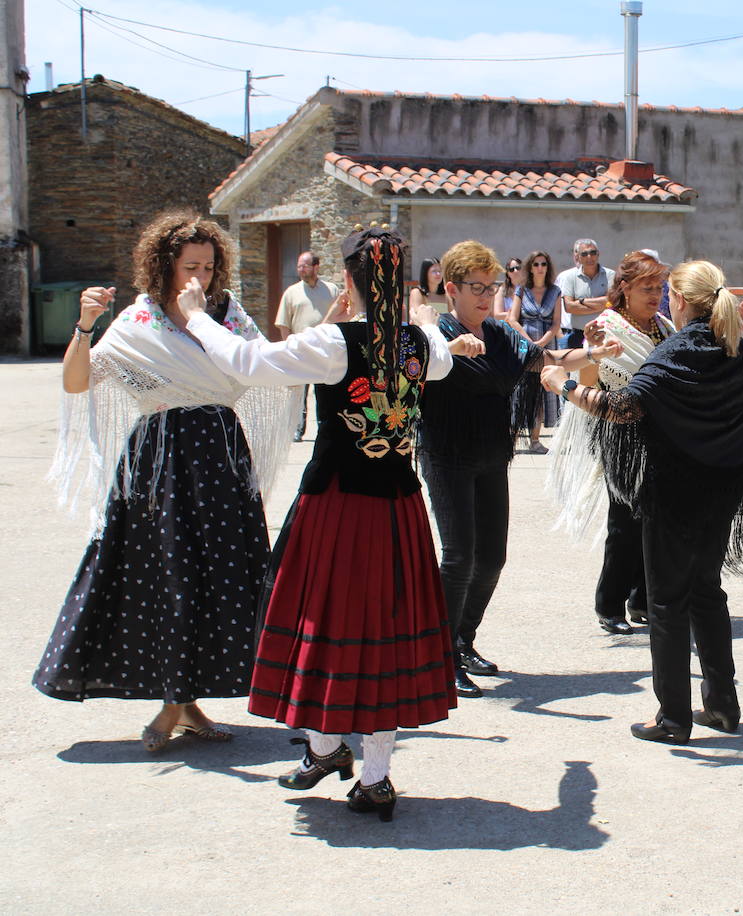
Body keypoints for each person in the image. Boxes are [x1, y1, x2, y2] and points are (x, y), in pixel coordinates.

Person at [180, 223, 462, 822]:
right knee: (384, 632)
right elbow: (438, 356)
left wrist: (196, 316)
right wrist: (411, 313)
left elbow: (248, 360)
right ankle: (366, 771)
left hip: (336, 509)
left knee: (326, 623)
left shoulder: (332, 343)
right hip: (399, 510)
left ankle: (326, 747)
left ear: (350, 278)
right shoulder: (420, 345)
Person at [34, 209, 295, 751]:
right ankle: (174, 702)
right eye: (189, 266)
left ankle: (186, 702)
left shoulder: (227, 315)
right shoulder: (140, 320)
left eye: (208, 265)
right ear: (165, 267)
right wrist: (85, 325)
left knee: (217, 573)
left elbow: (259, 364)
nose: (199, 276)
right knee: (166, 572)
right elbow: (77, 381)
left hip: (220, 454)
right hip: (161, 457)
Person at [541, 260, 743, 744]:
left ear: (682, 300)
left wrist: (562, 385)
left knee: (669, 601)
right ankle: (722, 705)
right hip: (723, 487)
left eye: (667, 292)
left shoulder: (678, 348)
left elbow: (622, 406)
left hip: (673, 490)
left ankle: (673, 718)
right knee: (707, 594)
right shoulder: (735, 348)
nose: (663, 300)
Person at [420, 240, 620, 698]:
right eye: (475, 287)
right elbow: (415, 352)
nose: (485, 296)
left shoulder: (502, 334)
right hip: (446, 454)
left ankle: (464, 641)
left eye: (491, 287)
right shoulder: (437, 333)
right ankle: (440, 657)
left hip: (492, 453)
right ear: (451, 288)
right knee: (458, 558)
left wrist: (595, 355)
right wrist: (447, 347)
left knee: (491, 558)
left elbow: (546, 360)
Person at [547, 251, 674, 635]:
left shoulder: (664, 326)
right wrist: (593, 351)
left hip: (658, 433)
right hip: (619, 432)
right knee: (624, 523)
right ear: (625, 289)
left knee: (655, 521)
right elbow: (590, 378)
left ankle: (642, 599)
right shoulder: (605, 326)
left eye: (659, 287)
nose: (655, 295)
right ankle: (610, 604)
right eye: (646, 287)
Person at [276, 250, 340, 440]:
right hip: (301, 349)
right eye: (299, 266)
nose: (301, 269)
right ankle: (297, 429)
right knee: (299, 393)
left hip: (325, 349)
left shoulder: (331, 290)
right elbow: (283, 323)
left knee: (325, 392)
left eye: (304, 265)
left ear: (316, 267)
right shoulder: (291, 293)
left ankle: (326, 427)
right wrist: (288, 349)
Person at [514, 250, 563, 453]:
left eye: (543, 264)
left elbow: (556, 323)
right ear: (530, 268)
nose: (540, 268)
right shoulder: (522, 290)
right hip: (525, 346)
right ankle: (512, 438)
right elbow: (512, 319)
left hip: (547, 346)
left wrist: (542, 342)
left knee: (542, 392)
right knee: (519, 391)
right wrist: (528, 341)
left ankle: (535, 440)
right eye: (536, 264)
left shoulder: (555, 291)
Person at [557, 238, 615, 349]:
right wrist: (602, 305)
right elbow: (569, 307)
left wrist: (582, 301)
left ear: (598, 254)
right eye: (584, 254)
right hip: (578, 335)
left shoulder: (610, 275)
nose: (589, 257)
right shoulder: (570, 277)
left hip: (605, 333)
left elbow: (611, 302)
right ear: (577, 257)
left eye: (593, 253)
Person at [496, 256, 527, 329]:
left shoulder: (530, 289)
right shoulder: (501, 290)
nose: (515, 271)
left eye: (518, 268)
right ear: (508, 274)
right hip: (508, 330)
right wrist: (515, 314)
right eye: (511, 269)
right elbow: (497, 315)